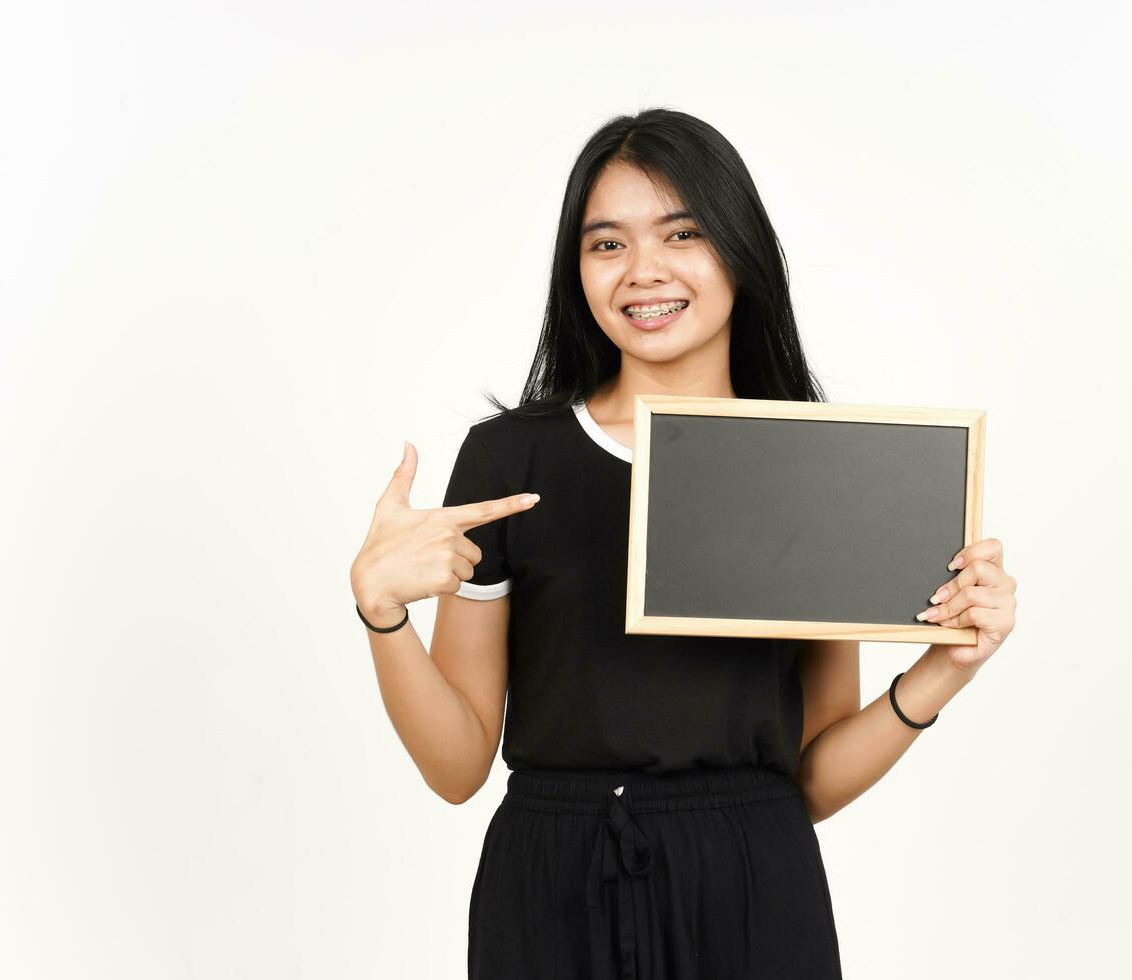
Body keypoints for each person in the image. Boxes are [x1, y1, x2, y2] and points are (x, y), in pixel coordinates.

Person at [349, 107, 1019, 980]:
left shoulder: (810, 462)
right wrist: (382, 613)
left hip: (750, 886)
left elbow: (809, 780)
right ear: (576, 270)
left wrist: (946, 668)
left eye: (681, 233)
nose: (644, 272)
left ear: (738, 252)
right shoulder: (510, 458)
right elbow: (458, 765)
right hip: (547, 885)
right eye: (607, 244)